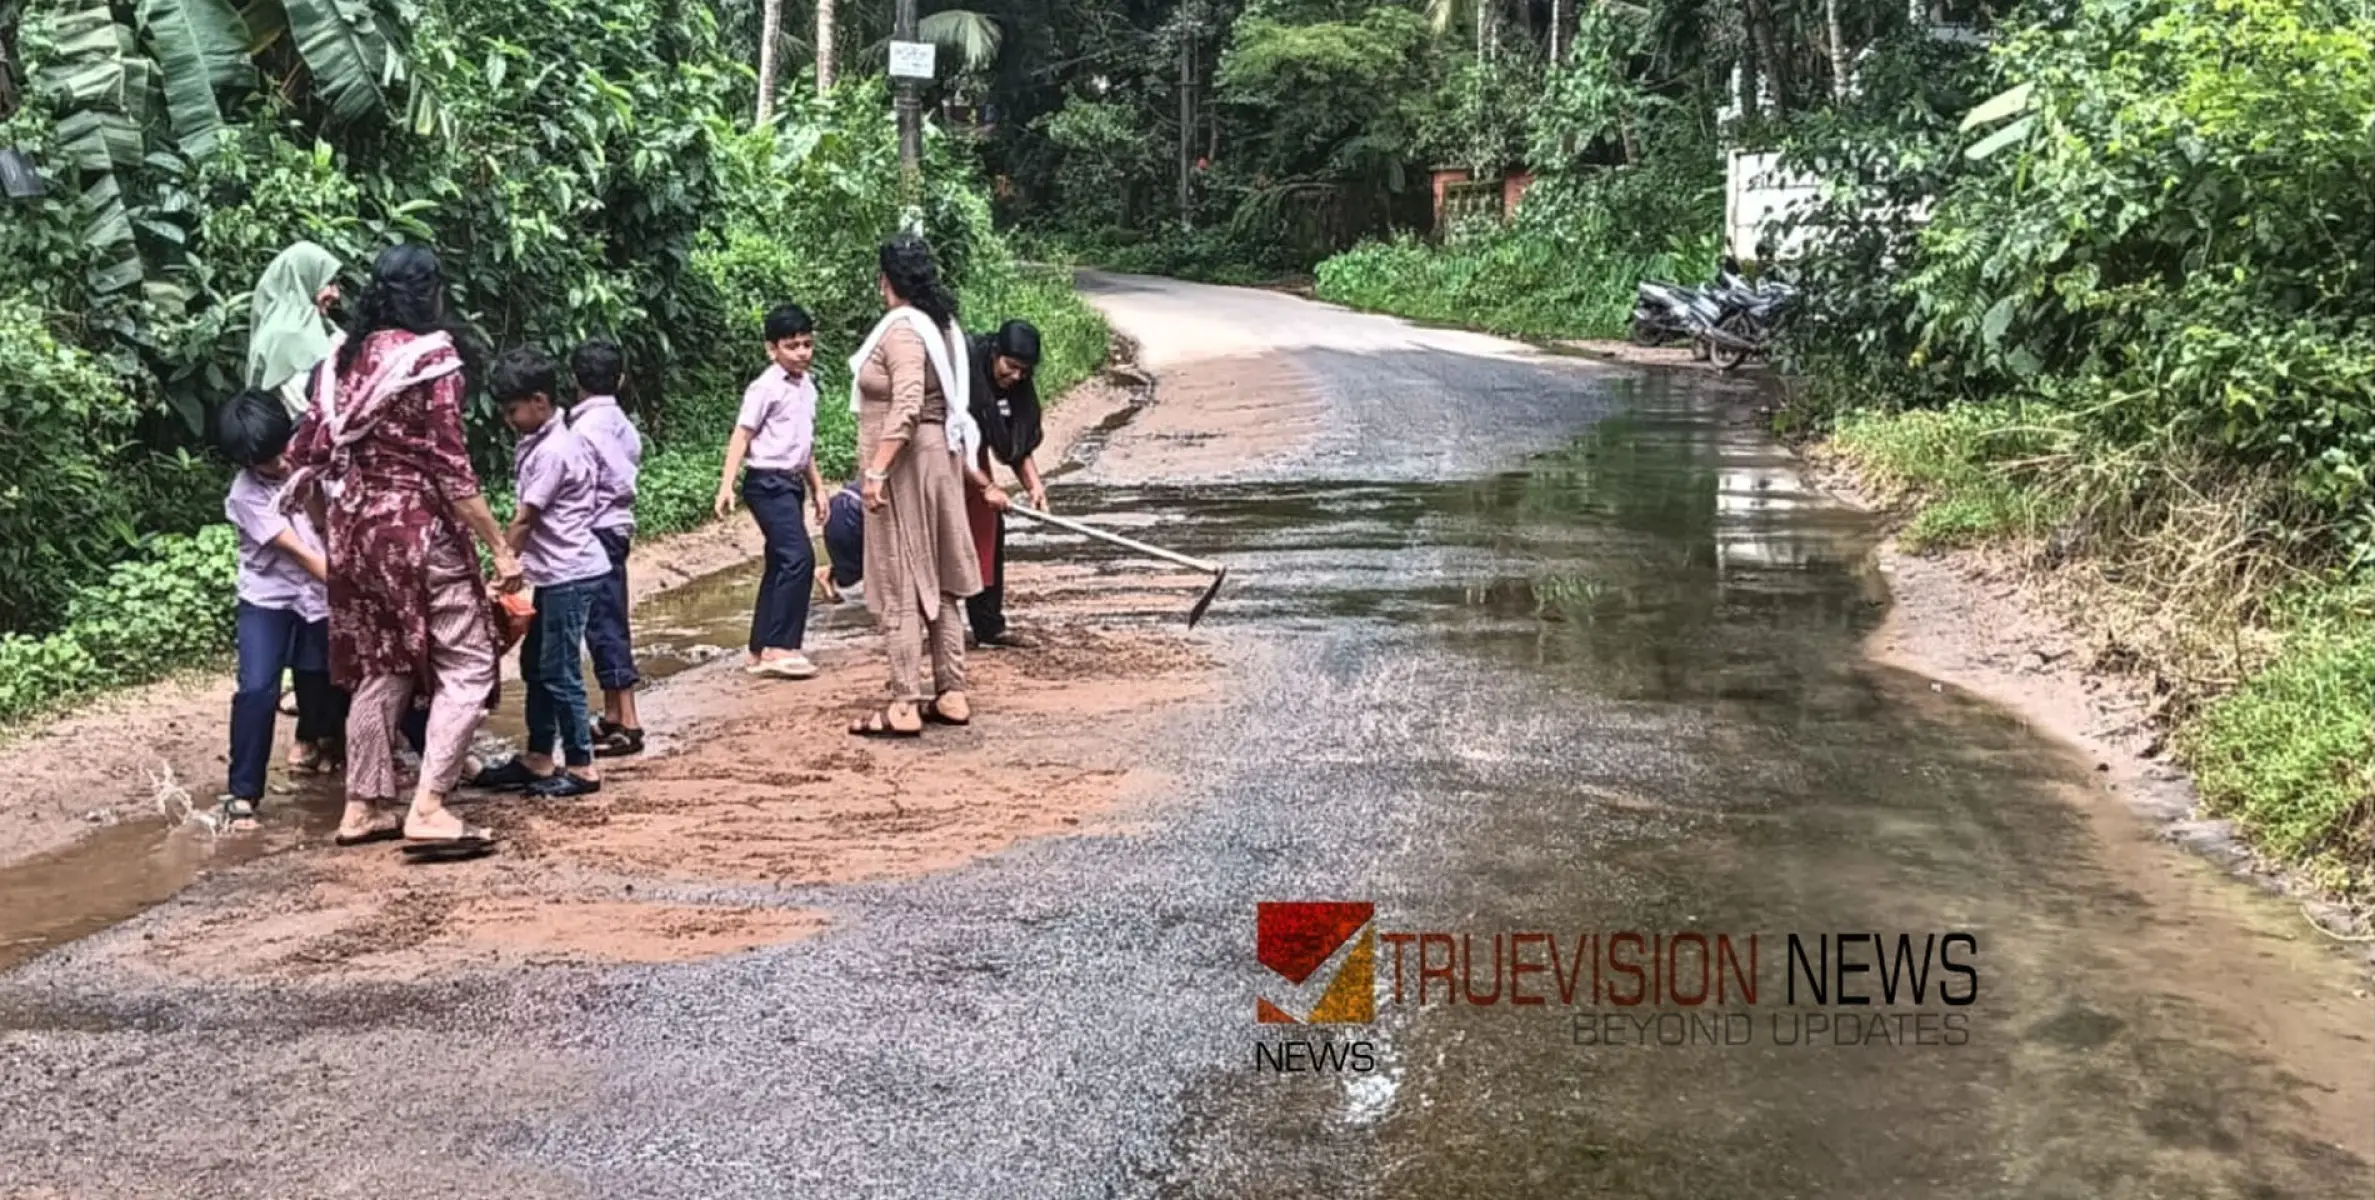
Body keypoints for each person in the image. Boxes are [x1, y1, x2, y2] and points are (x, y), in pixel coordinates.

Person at [282, 243, 520, 852]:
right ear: (431, 292)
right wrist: (500, 547)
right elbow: (450, 469)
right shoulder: (432, 361)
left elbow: (303, 457)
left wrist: (333, 523)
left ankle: (363, 806)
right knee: (467, 663)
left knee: (380, 664)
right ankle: (431, 806)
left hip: (355, 532)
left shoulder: (340, 361)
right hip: (418, 533)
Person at [846, 233, 985, 738]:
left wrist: (877, 470)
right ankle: (951, 692)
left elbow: (905, 405)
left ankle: (904, 702)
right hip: (939, 462)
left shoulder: (904, 332)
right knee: (941, 580)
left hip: (909, 465)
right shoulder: (942, 327)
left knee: (901, 578)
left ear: (886, 279)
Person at [466, 348, 608, 798]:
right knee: (536, 664)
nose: (509, 419)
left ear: (541, 402)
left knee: (559, 668)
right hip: (556, 571)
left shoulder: (554, 450)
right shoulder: (546, 441)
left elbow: (526, 518)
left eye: (513, 410)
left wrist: (504, 562)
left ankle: (582, 765)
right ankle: (540, 755)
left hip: (569, 572)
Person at [217, 388, 341, 830]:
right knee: (257, 689)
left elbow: (328, 522)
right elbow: (302, 556)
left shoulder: (312, 460)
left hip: (317, 598)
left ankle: (324, 742)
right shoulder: (245, 495)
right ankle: (242, 792)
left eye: (279, 452)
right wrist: (363, 588)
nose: (276, 464)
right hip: (268, 597)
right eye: (264, 461)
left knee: (321, 680)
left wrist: (310, 488)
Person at [715, 304, 830, 679]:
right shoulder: (764, 387)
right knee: (799, 558)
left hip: (791, 482)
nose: (801, 352)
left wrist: (818, 488)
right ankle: (780, 648)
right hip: (766, 482)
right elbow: (742, 434)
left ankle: (759, 647)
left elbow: (804, 443)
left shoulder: (808, 386)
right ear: (772, 349)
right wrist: (726, 484)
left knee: (781, 561)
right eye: (792, 345)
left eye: (807, 344)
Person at [568, 338, 645, 756]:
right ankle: (616, 713)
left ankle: (627, 719)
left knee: (604, 621)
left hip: (594, 529)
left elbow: (580, 485)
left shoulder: (581, 430)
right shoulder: (621, 424)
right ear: (619, 379)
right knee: (610, 614)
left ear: (576, 380)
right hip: (617, 525)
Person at [962, 320, 1050, 649]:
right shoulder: (966, 370)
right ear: (995, 354)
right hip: (941, 456)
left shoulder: (1017, 386)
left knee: (988, 532)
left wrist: (1034, 486)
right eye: (1010, 367)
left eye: (1023, 372)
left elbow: (1015, 442)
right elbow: (952, 443)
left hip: (974, 459)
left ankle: (989, 626)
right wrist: (987, 487)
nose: (1015, 377)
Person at [246, 242, 344, 419]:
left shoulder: (320, 326)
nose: (336, 294)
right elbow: (311, 408)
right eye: (328, 283)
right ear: (302, 279)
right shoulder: (290, 335)